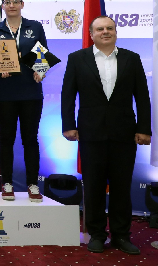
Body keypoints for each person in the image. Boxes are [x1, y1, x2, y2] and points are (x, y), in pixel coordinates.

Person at [61, 15, 151, 255]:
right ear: (92, 34)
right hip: (90, 133)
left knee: (121, 187)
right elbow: (68, 95)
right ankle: (97, 234)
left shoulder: (132, 58)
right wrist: (68, 125)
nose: (105, 32)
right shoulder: (77, 59)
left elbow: (142, 96)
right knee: (93, 186)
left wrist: (144, 128)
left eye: (109, 28)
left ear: (116, 32)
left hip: (124, 133)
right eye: (100, 29)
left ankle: (121, 235)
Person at [0, 0, 47, 202]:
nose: (12, 5)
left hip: (31, 92)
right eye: (7, 2)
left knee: (30, 139)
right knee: (6, 138)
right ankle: (7, 183)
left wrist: (41, 71)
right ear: (2, 6)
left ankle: (33, 184)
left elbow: (43, 55)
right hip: (5, 93)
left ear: (22, 4)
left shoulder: (35, 27)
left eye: (15, 1)